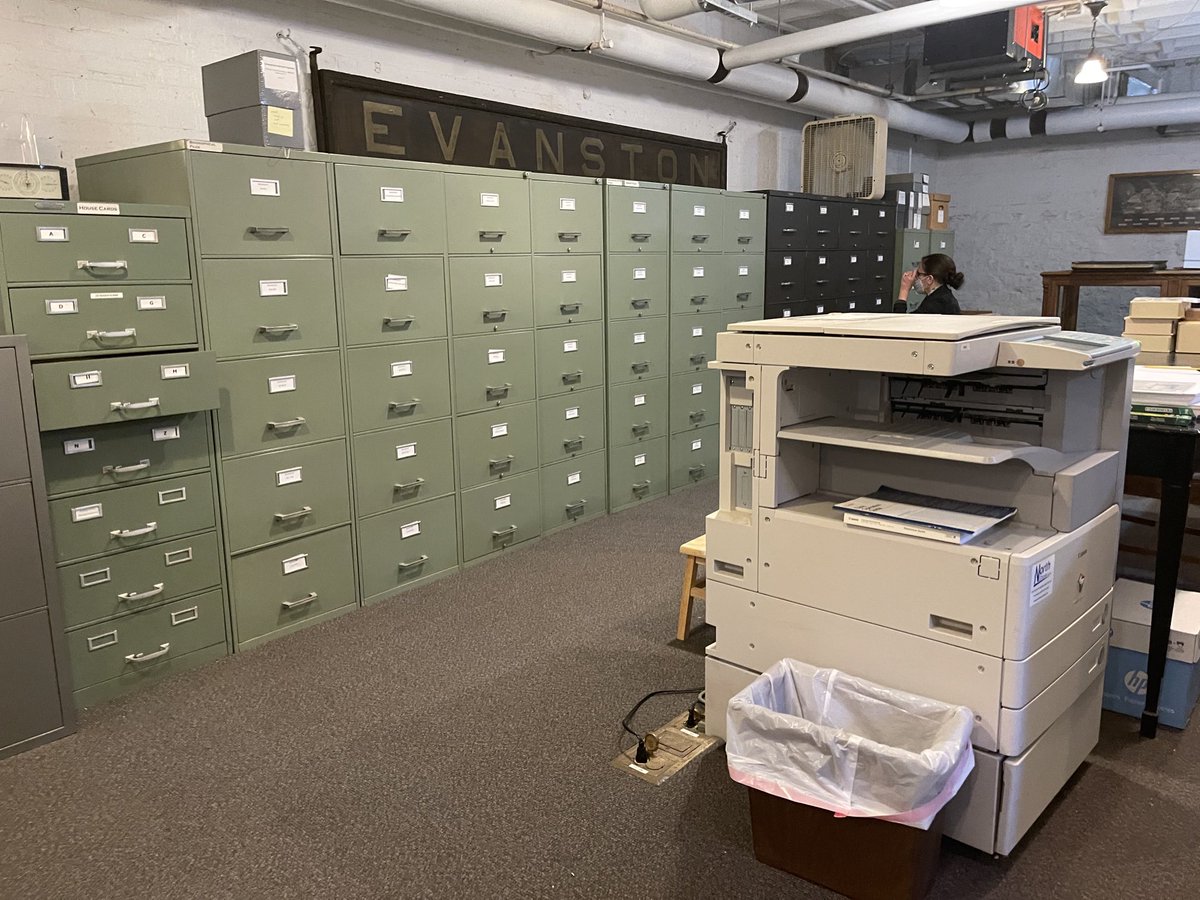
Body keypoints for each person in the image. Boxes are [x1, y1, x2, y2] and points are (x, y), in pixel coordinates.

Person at [895, 253, 964, 315]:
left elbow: (900, 323)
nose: (914, 277)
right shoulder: (943, 294)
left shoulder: (935, 304)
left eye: (918, 273)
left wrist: (904, 290)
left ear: (929, 279)